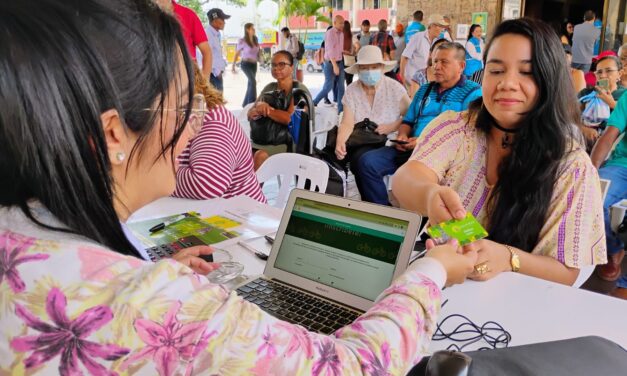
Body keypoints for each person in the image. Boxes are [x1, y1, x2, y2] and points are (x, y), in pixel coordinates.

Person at [0, 2, 480, 373]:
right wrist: (432, 270)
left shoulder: (24, 241)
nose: (192, 127)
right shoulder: (148, 301)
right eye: (181, 109)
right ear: (112, 134)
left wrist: (142, 271)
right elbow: (354, 367)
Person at [393, 18, 607, 286]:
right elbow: (405, 178)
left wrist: (507, 258)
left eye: (526, 72)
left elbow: (566, 272)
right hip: (442, 291)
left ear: (550, 79)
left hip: (517, 310)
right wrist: (429, 195)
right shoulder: (456, 128)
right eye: (496, 71)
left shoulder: (571, 166)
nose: (507, 83)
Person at [358, 42, 481, 205]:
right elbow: (408, 120)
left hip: (441, 156)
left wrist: (423, 142)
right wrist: (402, 135)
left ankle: (424, 221)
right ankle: (383, 215)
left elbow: (466, 135)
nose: (436, 66)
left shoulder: (473, 93)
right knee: (367, 163)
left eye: (444, 62)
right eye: (435, 61)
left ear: (461, 65)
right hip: (409, 148)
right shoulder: (425, 90)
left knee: (424, 186)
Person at [175, 64, 266, 203]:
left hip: (239, 216)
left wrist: (155, 176)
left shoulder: (212, 121)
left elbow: (206, 183)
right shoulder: (177, 119)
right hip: (200, 213)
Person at [334, 46, 410, 196]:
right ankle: (377, 206)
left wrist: (391, 126)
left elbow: (410, 117)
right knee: (357, 160)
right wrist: (340, 142)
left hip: (390, 142)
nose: (369, 71)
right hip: (363, 141)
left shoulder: (395, 88)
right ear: (358, 70)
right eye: (364, 68)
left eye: (374, 67)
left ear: (382, 68)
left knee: (360, 162)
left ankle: (376, 207)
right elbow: (347, 123)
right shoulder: (351, 90)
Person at [590, 93, 627, 293]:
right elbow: (610, 134)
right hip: (621, 166)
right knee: (594, 196)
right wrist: (592, 169)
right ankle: (613, 249)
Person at [247, 51, 311, 153]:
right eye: (273, 65)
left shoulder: (299, 90)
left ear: (291, 67)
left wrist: (268, 110)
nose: (276, 68)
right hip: (260, 140)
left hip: (287, 145)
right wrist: (259, 105)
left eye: (281, 64)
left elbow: (290, 119)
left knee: (259, 156)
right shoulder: (269, 87)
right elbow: (250, 114)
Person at [155, 0, 212, 79]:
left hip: (187, 82)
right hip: (154, 84)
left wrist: (204, 83)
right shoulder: (142, 18)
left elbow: (207, 52)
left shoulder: (188, 15)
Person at [400, 14, 448, 86]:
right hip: (412, 80)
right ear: (433, 26)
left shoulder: (437, 41)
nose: (442, 30)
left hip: (425, 81)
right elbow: (404, 56)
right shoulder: (417, 37)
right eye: (441, 27)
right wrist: (402, 76)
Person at [313, 15, 346, 114]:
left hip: (340, 62)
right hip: (330, 63)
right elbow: (330, 50)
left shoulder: (341, 34)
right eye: (340, 23)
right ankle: (314, 101)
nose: (342, 25)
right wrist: (335, 65)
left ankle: (340, 110)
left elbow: (338, 49)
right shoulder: (330, 33)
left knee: (341, 87)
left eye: (343, 23)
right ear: (334, 23)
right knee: (329, 86)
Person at [232, 23, 260, 107]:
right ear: (247, 29)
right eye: (252, 28)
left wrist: (260, 57)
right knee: (253, 81)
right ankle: (252, 104)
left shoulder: (255, 39)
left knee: (250, 83)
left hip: (254, 64)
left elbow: (258, 51)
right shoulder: (242, 40)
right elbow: (236, 53)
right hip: (245, 64)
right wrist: (233, 65)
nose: (254, 29)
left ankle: (245, 104)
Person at [206, 8, 230, 91]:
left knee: (218, 102)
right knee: (215, 103)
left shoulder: (216, 34)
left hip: (216, 75)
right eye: (222, 19)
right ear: (215, 20)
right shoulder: (208, 34)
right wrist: (217, 72)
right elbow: (205, 55)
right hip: (213, 76)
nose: (224, 22)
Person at [343, 20, 356, 85]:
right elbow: (354, 50)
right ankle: (350, 94)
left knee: (340, 83)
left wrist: (344, 52)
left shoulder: (340, 36)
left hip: (343, 61)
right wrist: (351, 53)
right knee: (349, 82)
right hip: (351, 62)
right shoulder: (352, 36)